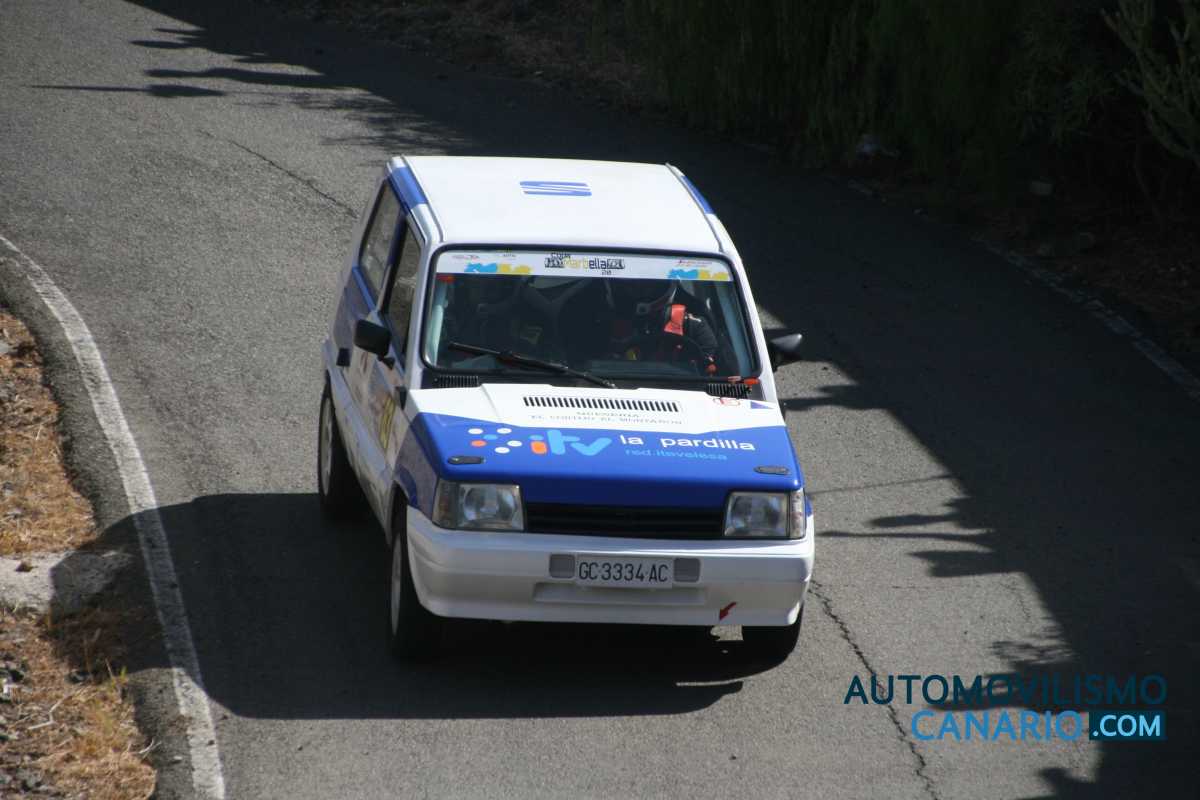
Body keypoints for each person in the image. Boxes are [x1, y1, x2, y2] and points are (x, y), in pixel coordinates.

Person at [600, 279, 723, 375]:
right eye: (630, 284)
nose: (638, 288)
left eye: (647, 284)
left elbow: (711, 375)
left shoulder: (693, 325)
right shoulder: (599, 322)